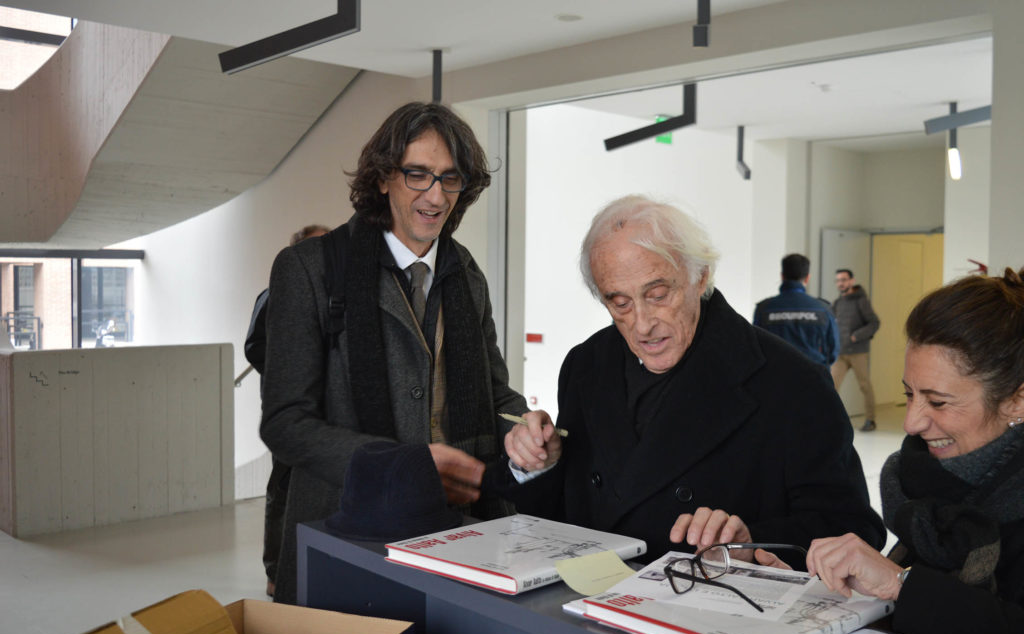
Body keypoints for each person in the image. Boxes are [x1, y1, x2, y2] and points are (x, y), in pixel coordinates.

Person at [497, 195, 884, 566]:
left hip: (707, 614)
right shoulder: (586, 364)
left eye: (659, 294)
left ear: (701, 277)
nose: (643, 323)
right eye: (621, 303)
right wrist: (540, 466)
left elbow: (854, 530)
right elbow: (567, 513)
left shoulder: (792, 382)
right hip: (589, 607)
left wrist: (751, 543)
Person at [259, 102, 528, 604]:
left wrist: (528, 428)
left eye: (450, 179)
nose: (435, 195)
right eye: (417, 174)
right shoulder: (309, 269)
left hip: (459, 537)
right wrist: (400, 467)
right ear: (383, 178)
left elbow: (496, 396)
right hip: (346, 535)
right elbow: (284, 423)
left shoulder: (466, 273)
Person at [799, 268, 1024, 634]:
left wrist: (898, 583)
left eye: (938, 402)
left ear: (1016, 401)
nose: (911, 423)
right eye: (909, 394)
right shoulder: (921, 480)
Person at [244, 223, 329, 599]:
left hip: (324, 416)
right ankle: (277, 572)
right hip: (291, 415)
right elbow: (256, 348)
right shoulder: (277, 293)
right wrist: (297, 375)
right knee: (282, 488)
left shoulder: (332, 296)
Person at [753, 253, 839, 367]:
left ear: (782, 276)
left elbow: (754, 348)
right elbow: (833, 350)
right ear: (807, 278)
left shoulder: (764, 308)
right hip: (814, 378)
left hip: (775, 378)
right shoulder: (823, 309)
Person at [831, 269, 880, 431]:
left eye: (844, 280)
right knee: (830, 386)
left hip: (858, 352)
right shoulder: (837, 303)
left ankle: (870, 420)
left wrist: (857, 336)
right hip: (840, 353)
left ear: (851, 281)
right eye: (838, 280)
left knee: (865, 386)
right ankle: (831, 420)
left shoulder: (861, 301)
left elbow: (874, 323)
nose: (840, 283)